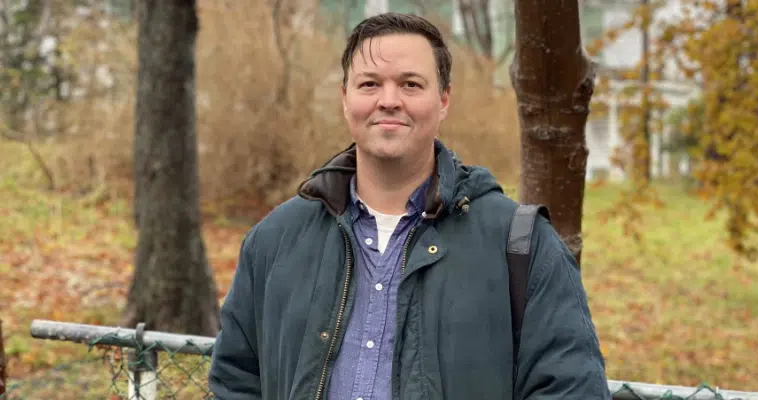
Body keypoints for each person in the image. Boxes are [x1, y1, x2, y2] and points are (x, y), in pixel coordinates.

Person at [208, 12, 610, 400]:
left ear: (444, 100)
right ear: (345, 98)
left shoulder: (521, 245)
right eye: (369, 84)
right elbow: (235, 382)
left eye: (411, 84)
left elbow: (570, 388)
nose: (389, 100)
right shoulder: (275, 241)